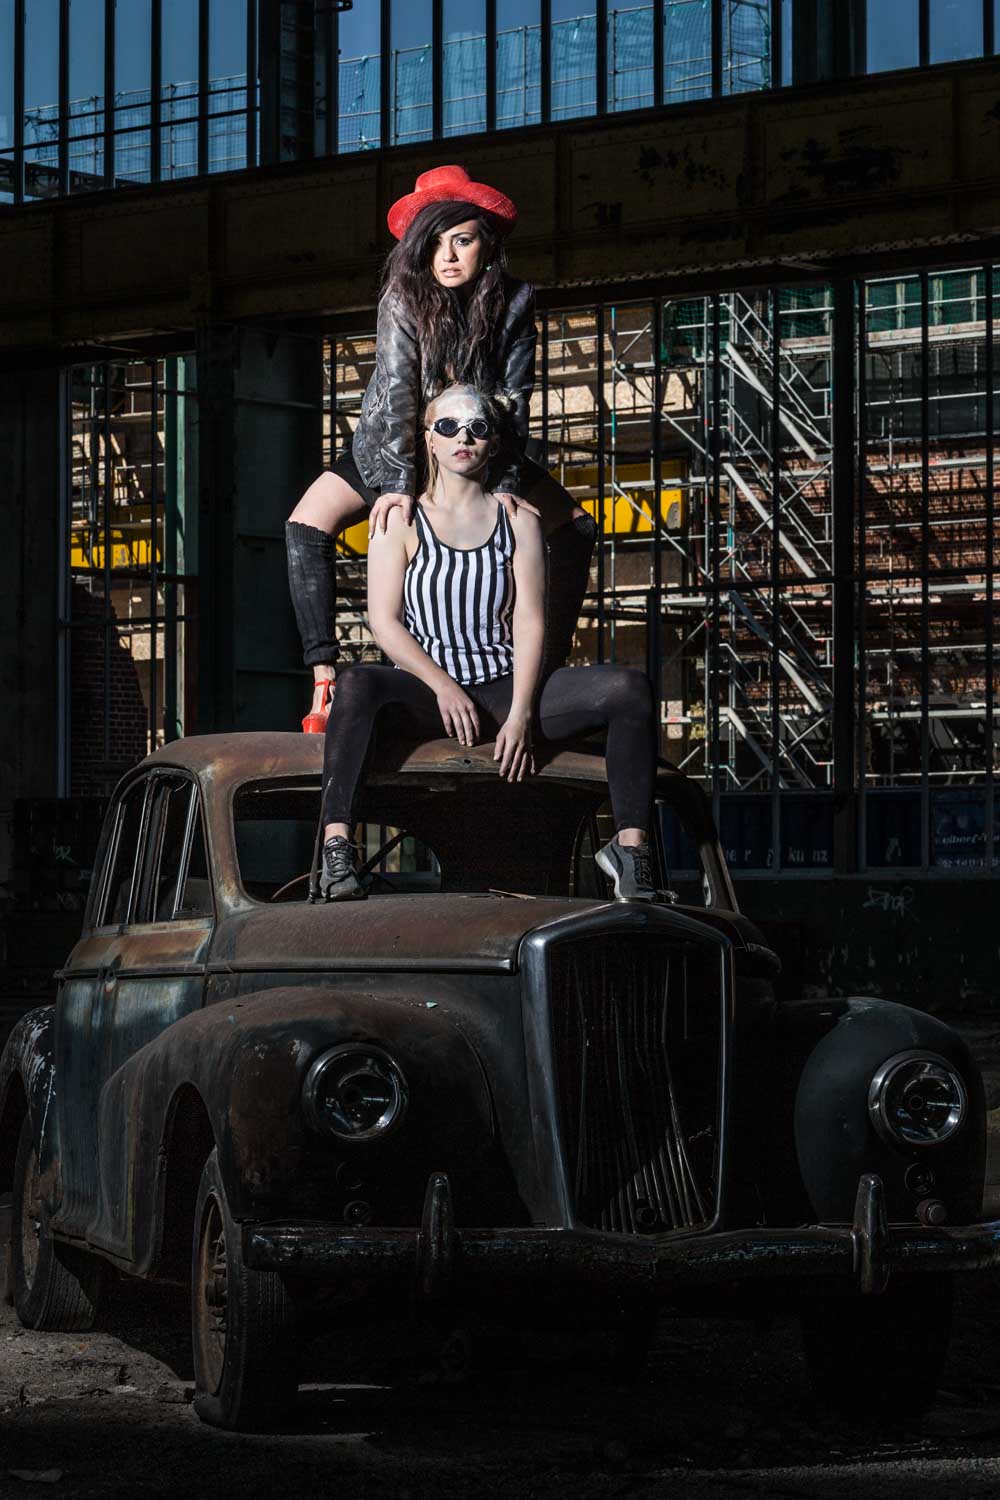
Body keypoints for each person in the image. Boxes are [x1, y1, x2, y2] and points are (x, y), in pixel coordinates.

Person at [317, 383, 658, 905]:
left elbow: (530, 622)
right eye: (449, 427)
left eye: (477, 428)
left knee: (630, 689)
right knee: (357, 682)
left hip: (503, 688)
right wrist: (443, 686)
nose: (463, 438)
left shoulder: (520, 519)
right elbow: (384, 623)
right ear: (429, 440)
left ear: (493, 445)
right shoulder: (398, 520)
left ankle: (630, 850)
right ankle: (336, 847)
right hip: (427, 691)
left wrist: (521, 713)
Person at [286, 164, 596, 732]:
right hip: (394, 444)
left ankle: (541, 671)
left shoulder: (516, 301)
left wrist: (503, 485)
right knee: (306, 523)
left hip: (479, 447)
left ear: (488, 244)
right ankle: (323, 680)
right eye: (433, 243)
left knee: (575, 528)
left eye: (462, 240)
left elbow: (513, 398)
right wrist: (400, 488)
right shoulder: (401, 299)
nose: (448, 255)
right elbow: (400, 393)